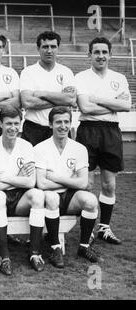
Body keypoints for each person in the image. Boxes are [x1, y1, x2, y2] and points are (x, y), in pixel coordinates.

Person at [75, 37, 132, 245]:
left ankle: (104, 228)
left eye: (104, 52)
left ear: (110, 54)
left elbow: (126, 106)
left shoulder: (119, 78)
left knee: (109, 184)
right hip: (88, 130)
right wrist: (113, 103)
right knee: (86, 183)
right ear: (89, 54)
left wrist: (97, 99)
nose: (100, 56)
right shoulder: (80, 77)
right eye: (96, 52)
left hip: (110, 131)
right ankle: (87, 229)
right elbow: (85, 108)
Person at [34, 106, 102, 268]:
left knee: (91, 201)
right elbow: (41, 183)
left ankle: (84, 246)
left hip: (71, 198)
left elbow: (83, 183)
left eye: (66, 121)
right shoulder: (40, 148)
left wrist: (54, 176)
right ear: (50, 125)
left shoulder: (79, 149)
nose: (63, 126)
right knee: (51, 197)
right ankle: (55, 248)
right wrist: (70, 180)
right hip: (49, 197)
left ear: (71, 124)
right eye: (58, 122)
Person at [0, 107, 46, 275]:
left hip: (20, 200)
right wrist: (16, 177)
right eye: (8, 124)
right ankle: (3, 256)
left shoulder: (26, 146)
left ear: (21, 124)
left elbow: (30, 181)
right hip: (0, 198)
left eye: (16, 123)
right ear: (0, 124)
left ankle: (34, 253)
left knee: (38, 195)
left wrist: (2, 177)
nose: (12, 128)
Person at [20, 31, 76, 146]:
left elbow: (70, 100)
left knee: (60, 163)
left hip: (60, 129)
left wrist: (43, 94)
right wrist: (59, 99)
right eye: (45, 47)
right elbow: (27, 102)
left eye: (53, 47)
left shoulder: (66, 72)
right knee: (31, 163)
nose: (49, 51)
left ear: (58, 48)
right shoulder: (28, 72)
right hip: (34, 128)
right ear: (38, 48)